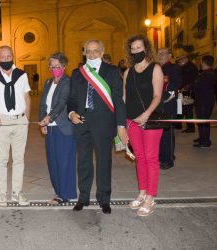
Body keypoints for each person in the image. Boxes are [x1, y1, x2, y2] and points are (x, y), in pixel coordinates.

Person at [68, 39, 127, 214]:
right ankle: (83, 197)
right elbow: (71, 99)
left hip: (104, 122)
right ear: (84, 53)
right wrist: (71, 113)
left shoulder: (113, 71)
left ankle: (104, 198)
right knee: (84, 162)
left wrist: (121, 125)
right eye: (88, 51)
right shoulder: (77, 73)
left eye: (96, 51)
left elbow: (118, 100)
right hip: (82, 122)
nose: (92, 54)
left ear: (102, 52)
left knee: (104, 162)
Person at [123, 34, 164, 216]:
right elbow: (125, 98)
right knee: (139, 157)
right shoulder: (127, 72)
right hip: (131, 120)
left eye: (139, 48)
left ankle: (150, 197)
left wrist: (146, 114)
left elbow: (157, 95)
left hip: (151, 119)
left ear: (146, 48)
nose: (136, 51)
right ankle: (142, 192)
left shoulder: (155, 68)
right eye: (133, 49)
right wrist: (122, 123)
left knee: (150, 158)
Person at [0, 45, 31, 206]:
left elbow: (27, 97)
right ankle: (2, 194)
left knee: (19, 159)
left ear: (13, 56)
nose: (6, 59)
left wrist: (27, 119)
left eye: (8, 56)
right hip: (1, 122)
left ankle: (17, 193)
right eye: (2, 57)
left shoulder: (22, 75)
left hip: (20, 121)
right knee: (2, 159)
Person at [38, 52, 77, 205]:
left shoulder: (67, 82)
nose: (54, 69)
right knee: (53, 161)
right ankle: (58, 191)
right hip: (50, 128)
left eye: (57, 66)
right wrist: (42, 121)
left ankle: (65, 194)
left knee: (64, 162)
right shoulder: (48, 82)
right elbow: (43, 104)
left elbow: (62, 103)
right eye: (52, 66)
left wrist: (49, 118)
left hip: (63, 127)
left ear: (64, 66)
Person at [157, 48, 182, 170]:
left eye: (163, 54)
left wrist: (161, 85)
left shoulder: (173, 68)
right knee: (158, 132)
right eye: (159, 54)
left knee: (167, 132)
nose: (160, 56)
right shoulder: (156, 68)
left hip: (168, 103)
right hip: (157, 104)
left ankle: (168, 159)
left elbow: (176, 84)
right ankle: (161, 156)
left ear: (170, 55)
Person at [193, 55, 217, 148]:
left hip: (204, 100)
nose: (200, 63)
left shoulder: (207, 74)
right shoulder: (210, 73)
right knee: (203, 120)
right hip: (206, 99)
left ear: (204, 63)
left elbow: (198, 86)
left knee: (203, 120)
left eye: (201, 62)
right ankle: (203, 138)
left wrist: (193, 85)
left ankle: (205, 142)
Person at [178, 55, 198, 133]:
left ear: (185, 59)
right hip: (188, 90)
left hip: (186, 90)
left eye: (180, 60)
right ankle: (179, 124)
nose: (179, 61)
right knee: (182, 108)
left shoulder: (187, 67)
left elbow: (184, 79)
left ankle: (190, 127)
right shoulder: (192, 66)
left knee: (187, 109)